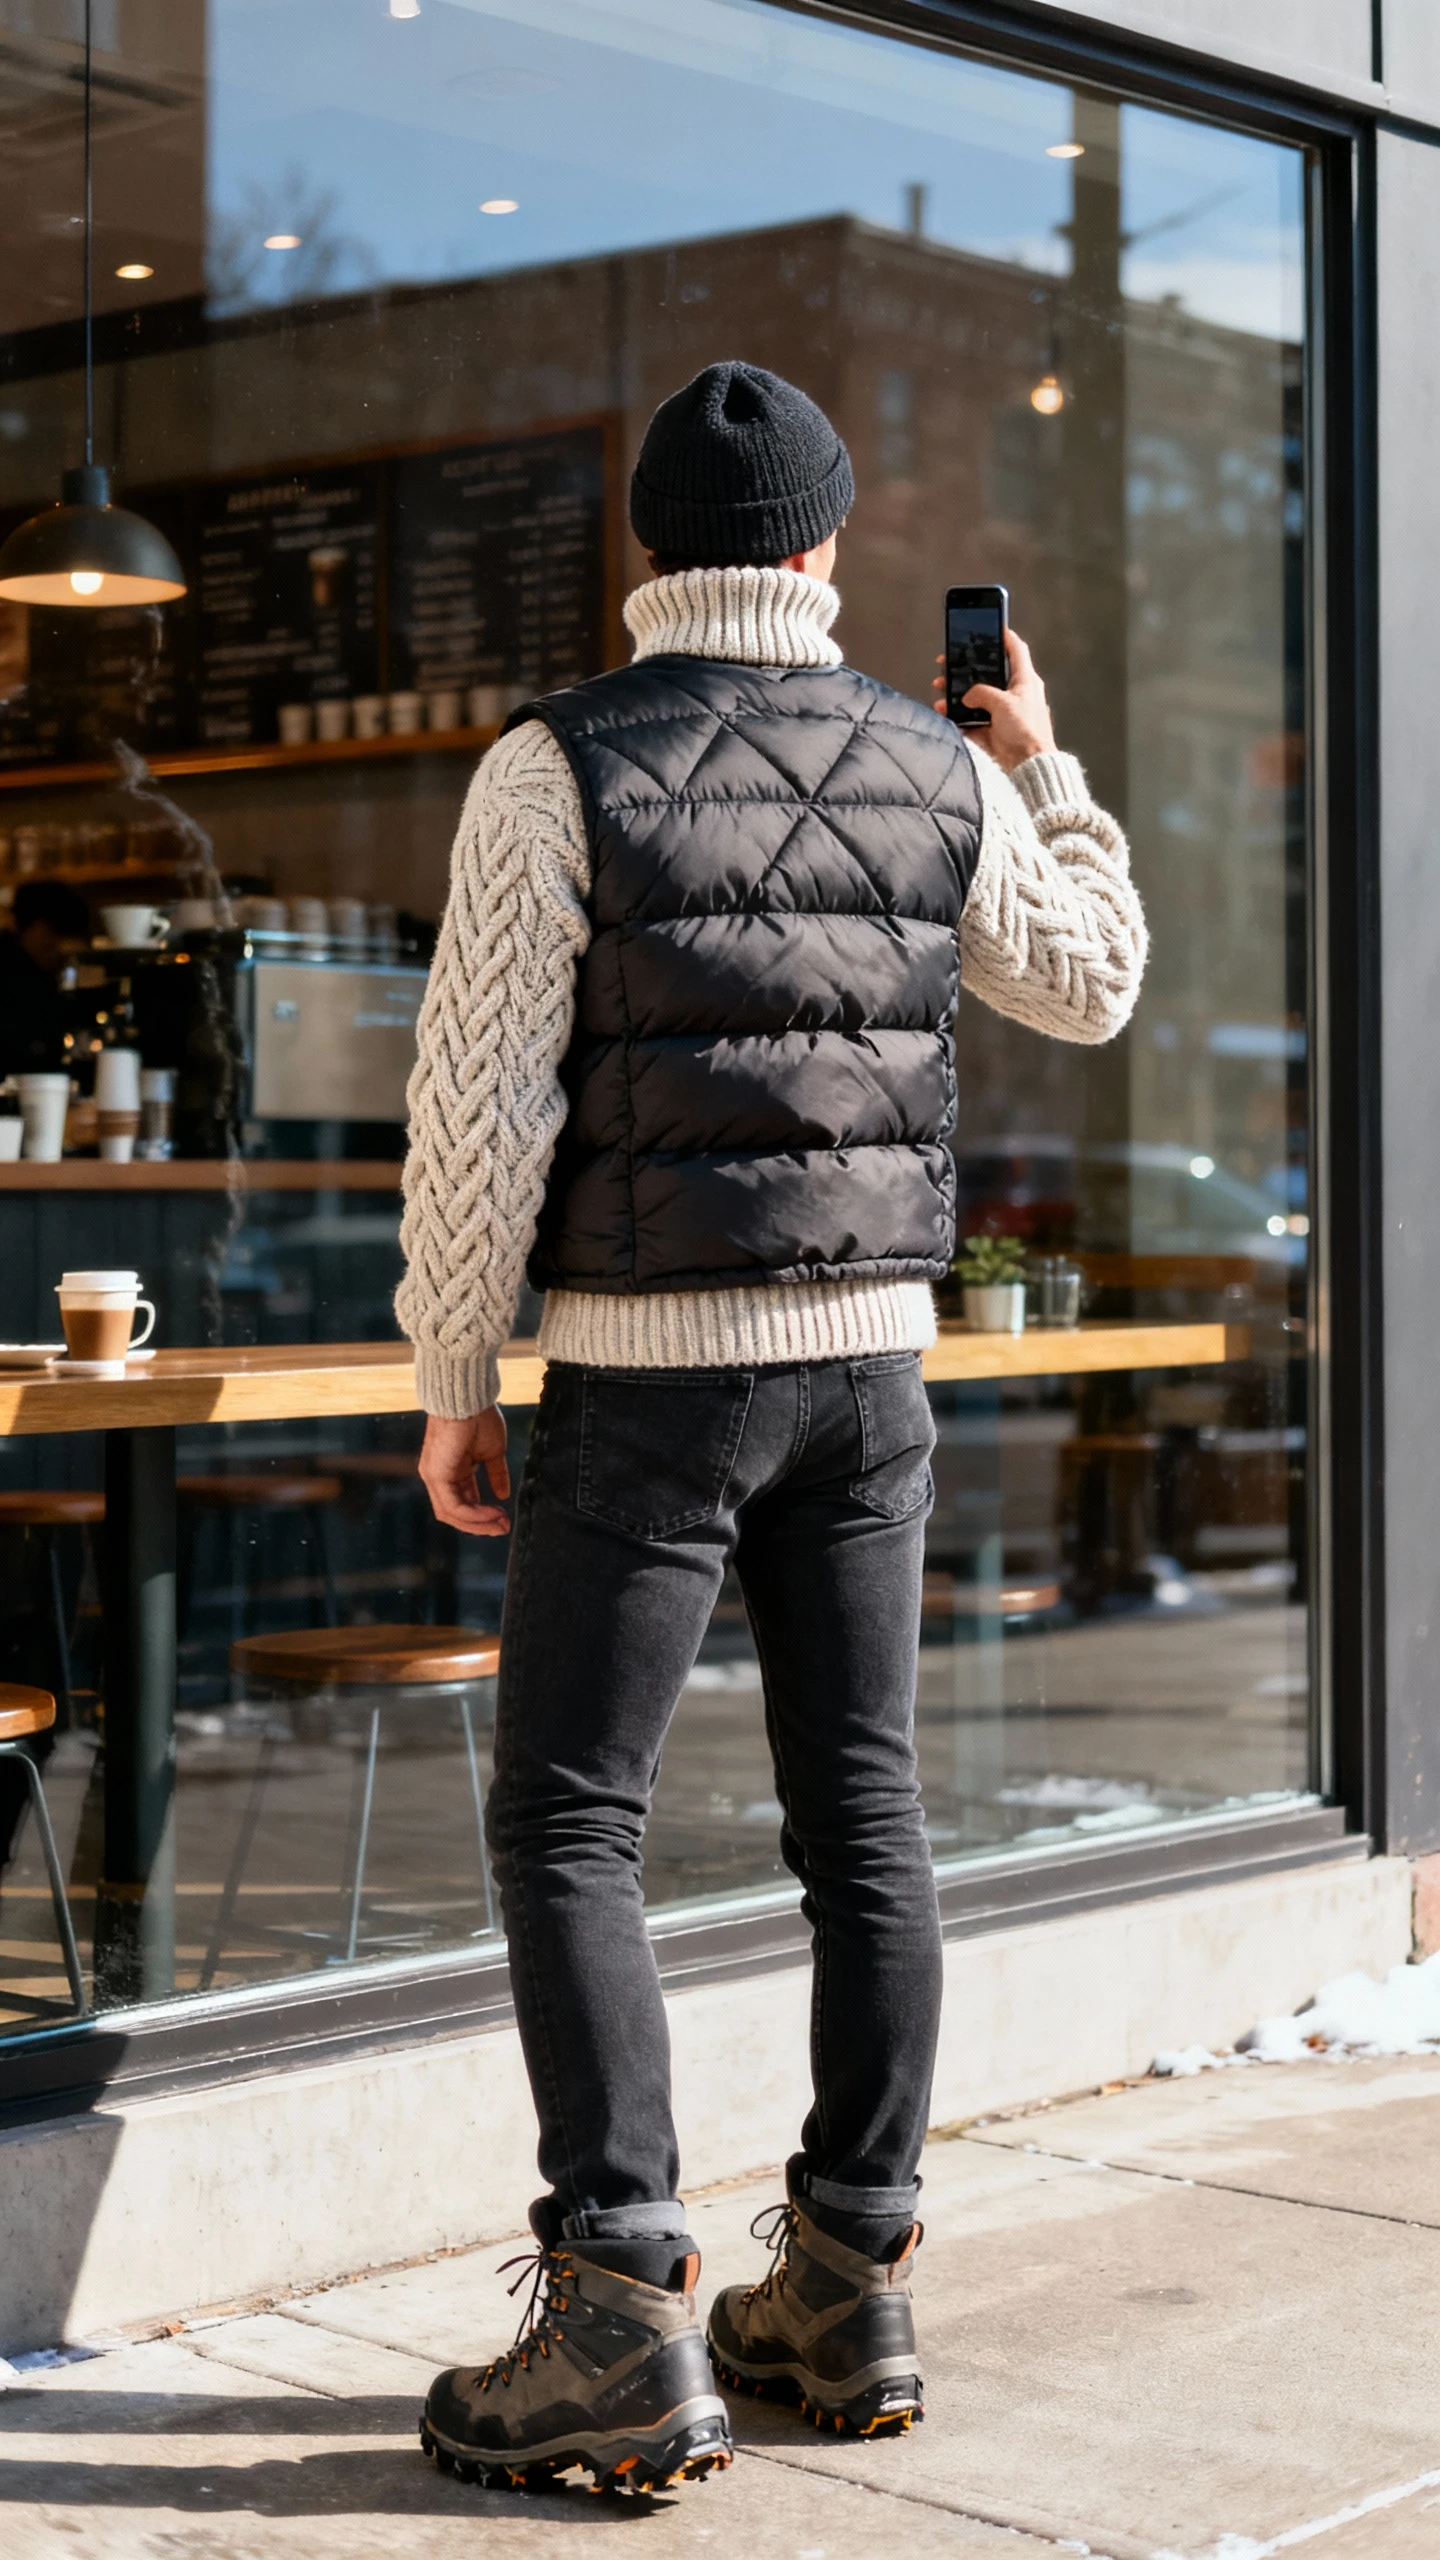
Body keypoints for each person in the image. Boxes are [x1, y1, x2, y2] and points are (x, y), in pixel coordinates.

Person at [397, 360, 1147, 2493]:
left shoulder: (554, 764)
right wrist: (1043, 762)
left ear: (653, 554)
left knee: (572, 1820)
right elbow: (1092, 978)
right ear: (820, 548)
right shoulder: (936, 760)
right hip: (870, 1372)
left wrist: (457, 1371)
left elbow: (480, 1102)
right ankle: (847, 2274)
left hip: (649, 1374)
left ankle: (617, 2314)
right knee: (866, 1816)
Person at [0, 878, 90, 1078]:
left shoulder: (36, 975)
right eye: (55, 936)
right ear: (39, 929)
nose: (61, 952)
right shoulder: (19, 979)